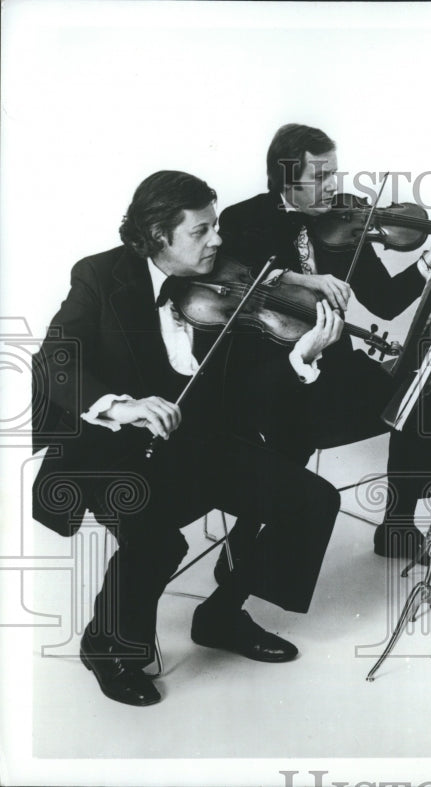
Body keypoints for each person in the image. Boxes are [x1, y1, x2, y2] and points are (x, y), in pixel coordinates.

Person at [31, 171, 344, 706]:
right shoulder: (100, 277)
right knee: (155, 537)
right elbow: (54, 361)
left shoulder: (223, 285)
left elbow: (247, 388)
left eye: (216, 225)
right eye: (200, 231)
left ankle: (220, 616)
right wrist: (124, 406)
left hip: (193, 440)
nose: (217, 240)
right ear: (158, 235)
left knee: (313, 500)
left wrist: (300, 358)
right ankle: (107, 645)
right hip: (108, 450)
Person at [216, 123, 431, 567]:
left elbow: (387, 302)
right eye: (320, 177)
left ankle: (397, 523)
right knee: (286, 445)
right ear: (284, 178)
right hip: (276, 373)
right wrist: (301, 278)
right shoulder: (244, 218)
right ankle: (243, 548)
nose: (333, 187)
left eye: (335, 174)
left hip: (335, 364)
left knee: (418, 400)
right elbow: (234, 277)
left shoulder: (343, 226)